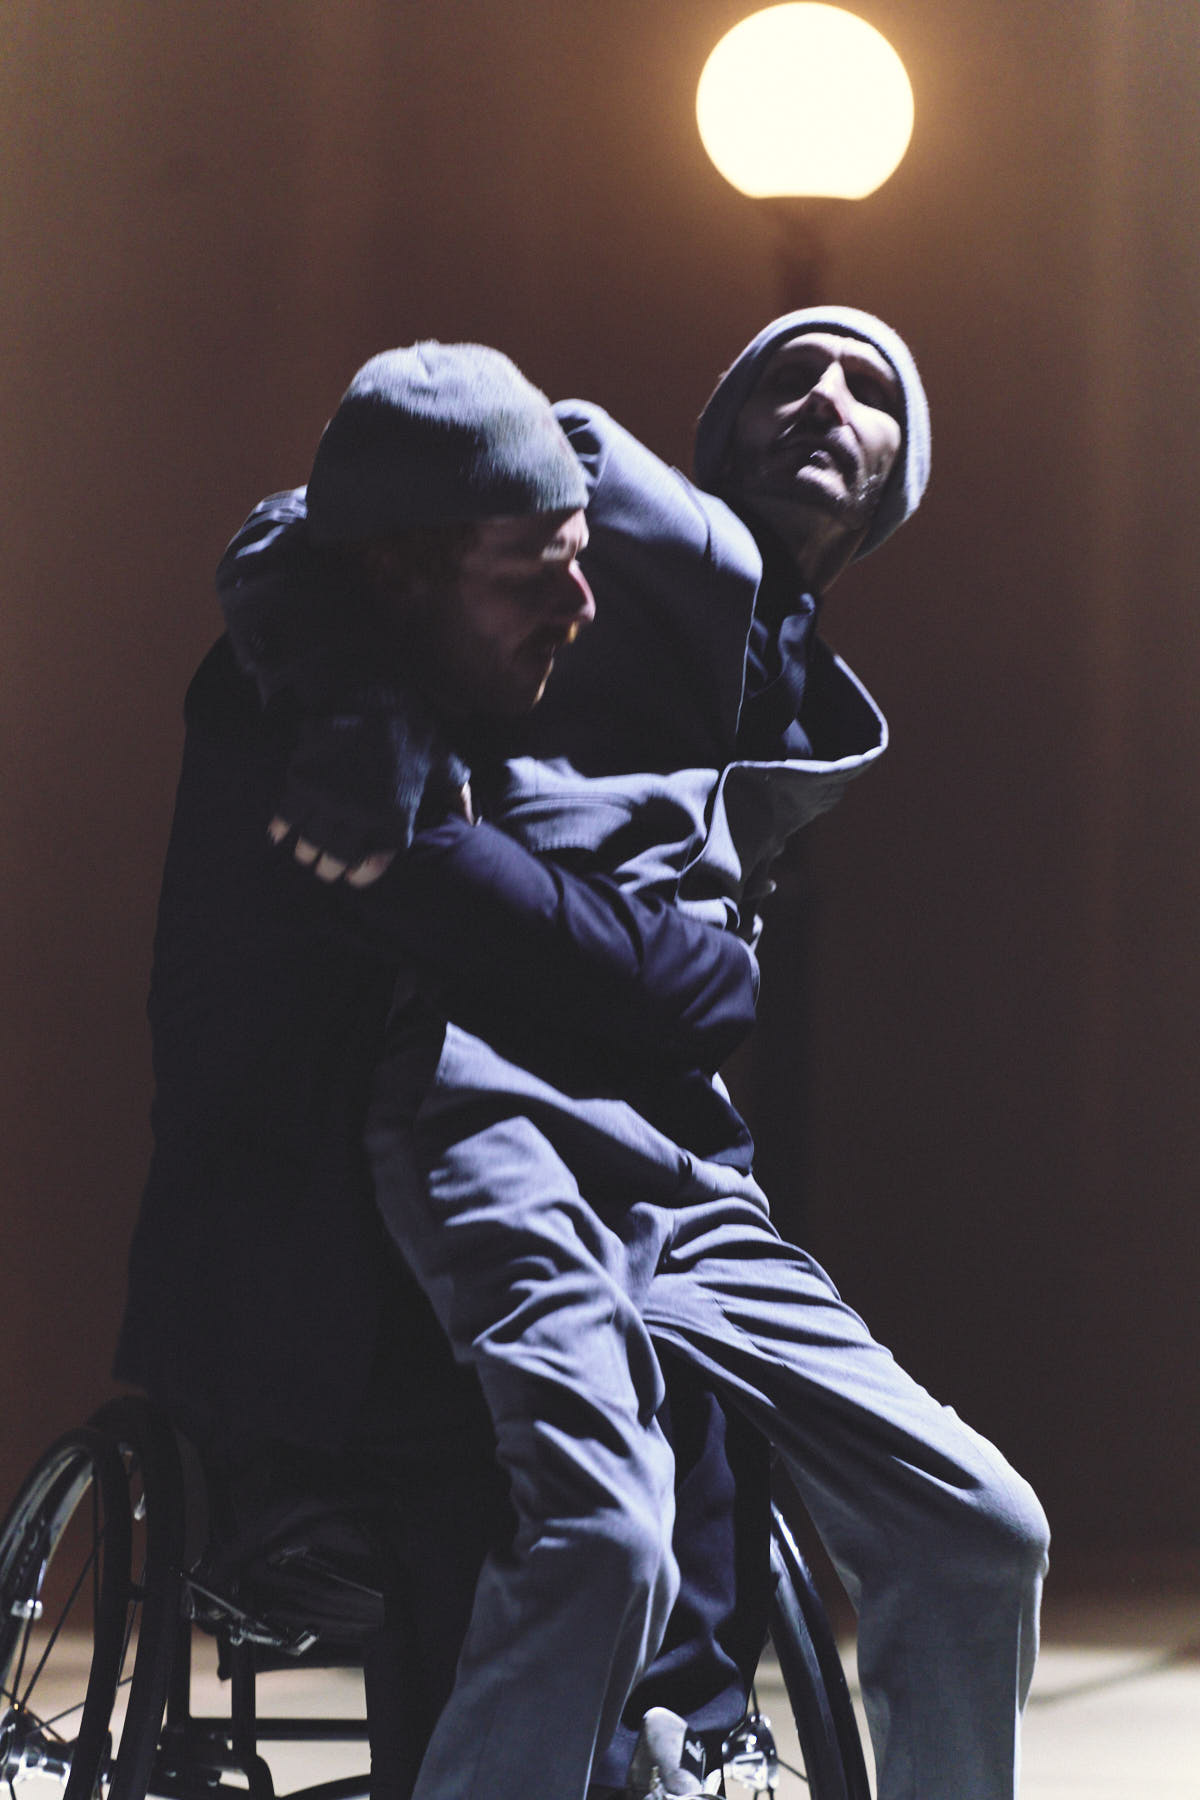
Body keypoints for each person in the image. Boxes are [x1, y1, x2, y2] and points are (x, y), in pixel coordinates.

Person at [243, 316, 1049, 1800]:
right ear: (722, 428)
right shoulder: (605, 487)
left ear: (895, 483)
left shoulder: (799, 681)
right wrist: (358, 720)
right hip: (492, 1088)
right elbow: (308, 527)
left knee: (984, 1531)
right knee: (603, 1537)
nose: (828, 400)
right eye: (791, 376)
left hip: (680, 1145)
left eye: (871, 392)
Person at [114, 344, 770, 1797]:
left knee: (689, 1347)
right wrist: (700, 970)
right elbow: (612, 966)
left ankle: (680, 1741)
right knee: (518, 1475)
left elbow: (641, 971)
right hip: (307, 1306)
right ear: (404, 574)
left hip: (439, 1255)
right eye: (535, 571)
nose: (580, 608)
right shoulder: (324, 746)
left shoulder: (417, 694)